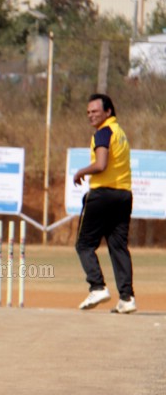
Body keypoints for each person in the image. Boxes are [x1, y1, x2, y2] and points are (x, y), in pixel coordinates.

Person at [72, 93, 135, 314]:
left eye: (95, 111)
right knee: (118, 246)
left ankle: (97, 286)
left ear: (108, 112)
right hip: (124, 195)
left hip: (102, 194)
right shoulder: (120, 133)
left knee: (84, 244)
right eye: (88, 112)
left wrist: (81, 171)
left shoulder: (104, 132)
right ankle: (127, 298)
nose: (91, 115)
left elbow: (100, 164)